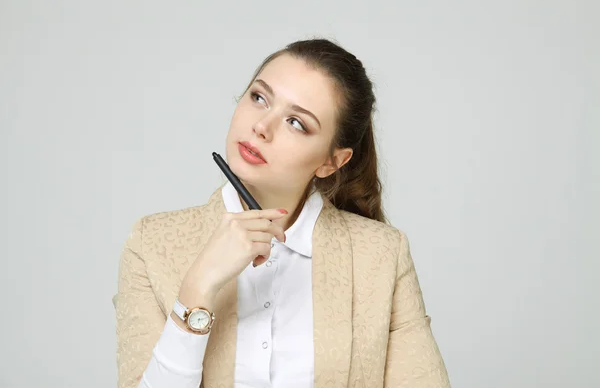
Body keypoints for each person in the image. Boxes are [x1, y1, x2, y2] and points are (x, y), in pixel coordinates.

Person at [113, 38, 451, 388]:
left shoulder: (382, 255)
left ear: (332, 161)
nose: (262, 126)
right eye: (259, 98)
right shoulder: (149, 244)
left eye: (296, 122)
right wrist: (199, 284)